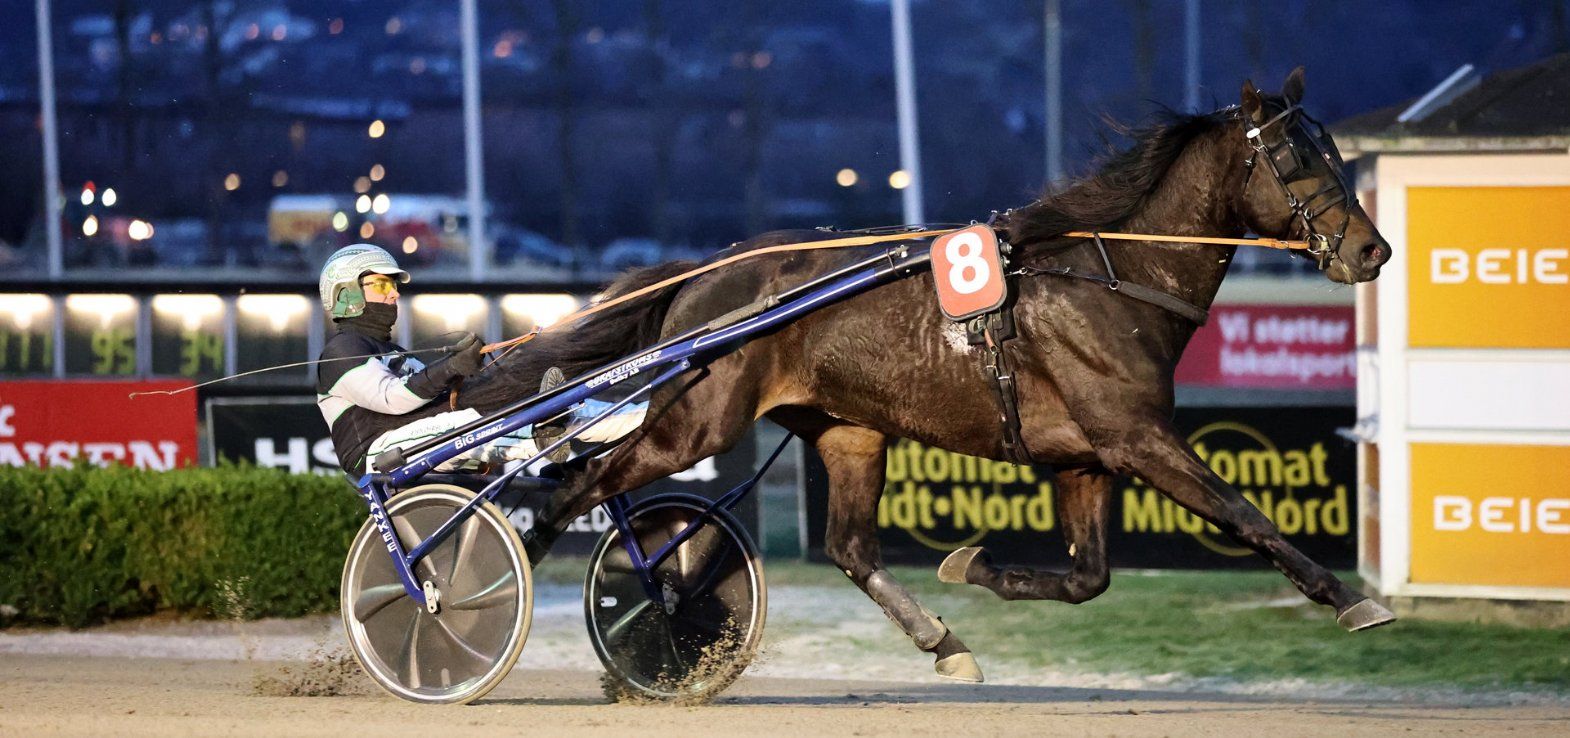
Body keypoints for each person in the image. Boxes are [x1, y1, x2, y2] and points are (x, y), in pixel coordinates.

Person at [314, 244, 644, 475]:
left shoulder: (392, 352)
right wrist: (450, 367)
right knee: (464, 425)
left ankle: (642, 416)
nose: (395, 293)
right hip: (377, 455)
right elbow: (393, 398)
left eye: (394, 285)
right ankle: (539, 435)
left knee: (555, 402)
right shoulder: (341, 352)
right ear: (347, 295)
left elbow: (432, 394)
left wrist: (471, 374)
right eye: (384, 284)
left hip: (413, 439)